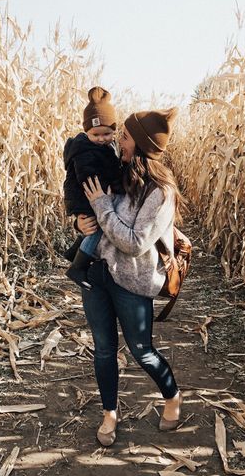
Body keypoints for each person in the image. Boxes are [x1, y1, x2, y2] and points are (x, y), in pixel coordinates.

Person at [77, 107, 184, 447]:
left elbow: (135, 243)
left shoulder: (160, 193)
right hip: (97, 272)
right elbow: (90, 209)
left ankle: (172, 396)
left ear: (140, 144)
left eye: (124, 136)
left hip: (133, 282)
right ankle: (110, 412)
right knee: (104, 350)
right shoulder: (114, 170)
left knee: (142, 351)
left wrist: (102, 206)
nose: (118, 141)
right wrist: (80, 222)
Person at [63, 87, 122, 289]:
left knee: (93, 227)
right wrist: (111, 188)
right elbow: (89, 176)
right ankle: (78, 266)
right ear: (86, 131)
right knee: (97, 226)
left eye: (107, 133)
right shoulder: (84, 150)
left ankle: (75, 251)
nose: (101, 138)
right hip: (86, 194)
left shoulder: (104, 147)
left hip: (87, 193)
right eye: (95, 134)